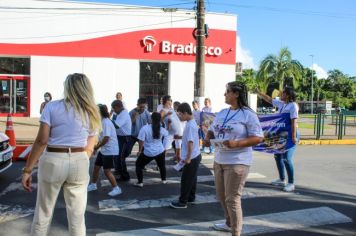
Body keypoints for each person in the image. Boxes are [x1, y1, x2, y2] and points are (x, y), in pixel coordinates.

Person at [21, 73, 101, 236]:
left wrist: (27, 170)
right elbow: (90, 146)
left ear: (67, 87)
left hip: (54, 158)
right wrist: (80, 158)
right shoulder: (92, 111)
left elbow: (42, 141)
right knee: (77, 218)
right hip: (79, 159)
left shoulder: (52, 107)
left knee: (43, 214)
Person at [205, 81, 263, 236]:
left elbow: (258, 138)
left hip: (238, 162)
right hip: (219, 161)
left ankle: (236, 232)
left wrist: (237, 143)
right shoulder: (223, 112)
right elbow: (212, 129)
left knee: (232, 199)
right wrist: (207, 137)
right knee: (221, 196)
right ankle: (228, 223)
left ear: (236, 94)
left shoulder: (248, 114)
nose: (224, 94)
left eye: (227, 91)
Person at [256, 86, 299, 192]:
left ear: (288, 94)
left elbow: (294, 122)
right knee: (277, 156)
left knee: (286, 159)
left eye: (283, 93)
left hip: (290, 135)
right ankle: (282, 179)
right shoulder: (282, 104)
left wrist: (293, 137)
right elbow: (269, 100)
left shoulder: (293, 105)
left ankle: (291, 183)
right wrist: (259, 92)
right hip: (281, 134)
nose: (281, 94)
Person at [170, 103, 201, 209]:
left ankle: (182, 202)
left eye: (180, 115)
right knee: (192, 178)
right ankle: (191, 197)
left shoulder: (191, 125)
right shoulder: (191, 123)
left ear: (186, 113)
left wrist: (188, 157)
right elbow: (189, 138)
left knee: (186, 179)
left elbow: (190, 142)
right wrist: (180, 137)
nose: (179, 117)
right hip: (194, 156)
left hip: (191, 157)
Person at [87, 104, 122, 197]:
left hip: (110, 150)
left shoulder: (106, 122)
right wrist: (97, 146)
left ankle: (116, 188)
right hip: (104, 150)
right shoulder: (102, 121)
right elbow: (101, 137)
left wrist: (96, 147)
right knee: (96, 168)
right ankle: (93, 185)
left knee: (107, 171)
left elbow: (106, 138)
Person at [134, 112, 170, 187]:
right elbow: (167, 138)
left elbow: (141, 140)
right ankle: (164, 180)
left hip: (148, 152)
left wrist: (140, 151)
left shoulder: (145, 128)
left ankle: (140, 182)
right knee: (162, 166)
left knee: (138, 165)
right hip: (160, 151)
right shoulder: (162, 130)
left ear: (151, 119)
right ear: (160, 120)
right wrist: (164, 149)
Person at [111, 100, 132, 181]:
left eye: (114, 109)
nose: (114, 111)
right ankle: (119, 172)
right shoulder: (120, 113)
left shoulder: (124, 114)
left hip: (124, 138)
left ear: (117, 107)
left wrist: (107, 119)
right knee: (117, 156)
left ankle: (125, 175)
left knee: (120, 157)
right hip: (120, 137)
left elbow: (116, 125)